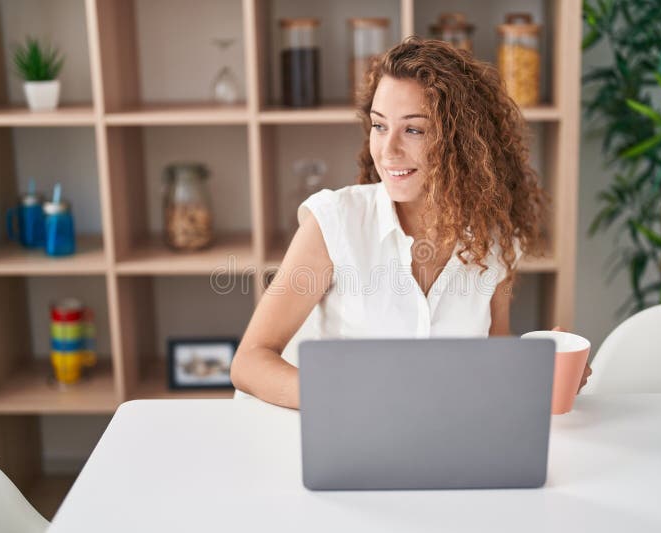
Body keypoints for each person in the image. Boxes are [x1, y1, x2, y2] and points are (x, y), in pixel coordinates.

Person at [230, 37, 591, 408]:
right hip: (346, 433)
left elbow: (493, 348)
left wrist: (542, 367)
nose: (388, 151)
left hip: (441, 436)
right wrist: (353, 400)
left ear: (463, 141)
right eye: (380, 126)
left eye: (414, 130)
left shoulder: (494, 239)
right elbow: (250, 361)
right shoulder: (335, 222)